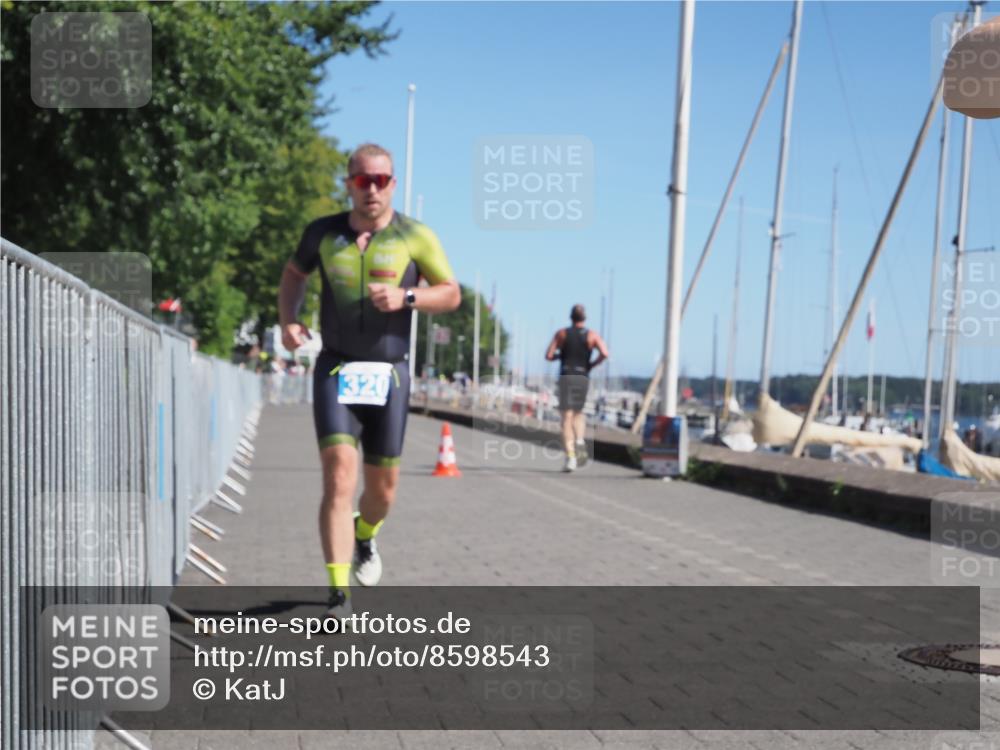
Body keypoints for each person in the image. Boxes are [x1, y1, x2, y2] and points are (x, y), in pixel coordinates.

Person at [278, 143, 460, 619]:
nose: (372, 189)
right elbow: (294, 275)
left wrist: (407, 298)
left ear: (393, 184)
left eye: (381, 180)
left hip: (389, 376)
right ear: (349, 184)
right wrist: (288, 320)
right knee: (339, 478)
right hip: (336, 370)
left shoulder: (415, 236)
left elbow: (451, 293)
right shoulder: (323, 233)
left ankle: (366, 534)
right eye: (363, 180)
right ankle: (338, 593)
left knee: (382, 492)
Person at [545, 304, 609, 472]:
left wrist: (561, 356)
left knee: (566, 417)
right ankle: (580, 440)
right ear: (584, 318)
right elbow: (605, 353)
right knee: (579, 413)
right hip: (582, 376)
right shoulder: (592, 335)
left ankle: (571, 457)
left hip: (566, 375)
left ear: (571, 317)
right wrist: (592, 364)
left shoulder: (562, 334)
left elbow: (549, 355)